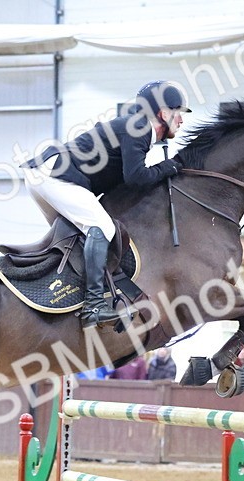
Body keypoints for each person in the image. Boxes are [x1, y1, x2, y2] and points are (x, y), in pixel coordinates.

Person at [21, 81, 190, 328]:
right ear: (164, 114)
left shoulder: (135, 128)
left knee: (74, 238)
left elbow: (122, 182)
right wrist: (169, 166)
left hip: (44, 175)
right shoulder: (140, 128)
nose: (182, 122)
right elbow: (136, 177)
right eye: (179, 114)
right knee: (102, 229)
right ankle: (93, 307)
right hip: (56, 175)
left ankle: (58, 294)